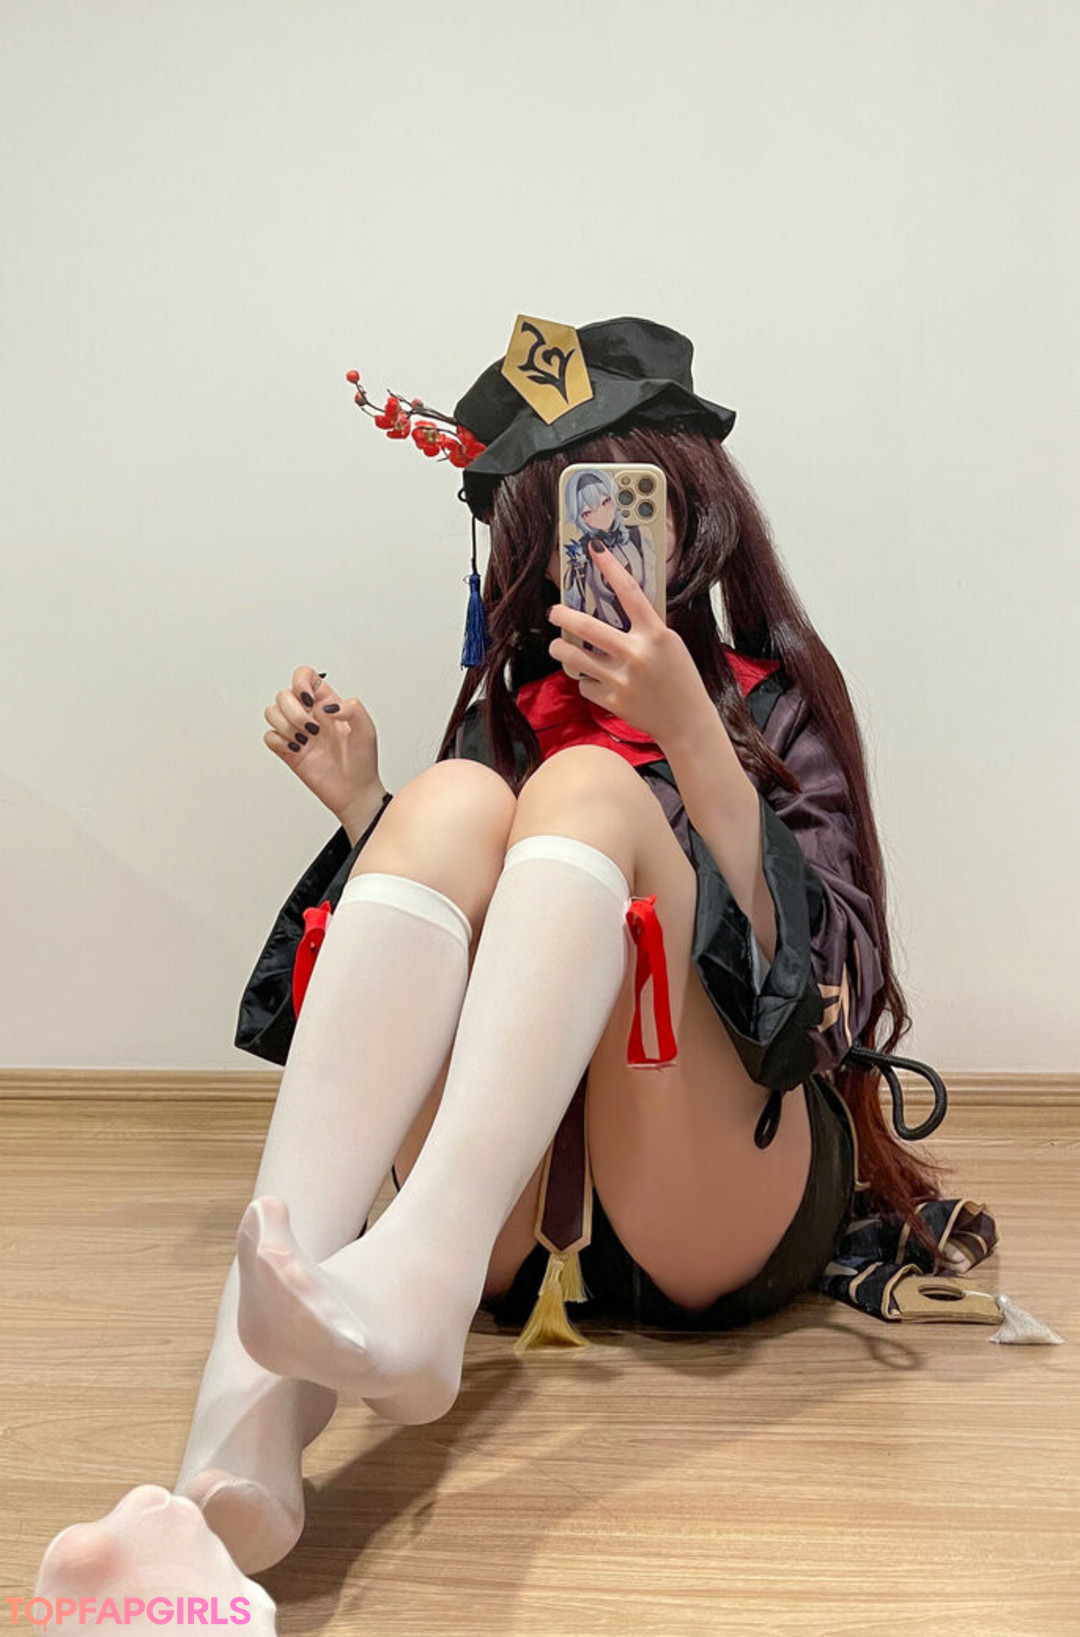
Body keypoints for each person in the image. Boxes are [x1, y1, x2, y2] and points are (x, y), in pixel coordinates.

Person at [34, 316, 1009, 1622]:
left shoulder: (770, 701)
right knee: (445, 800)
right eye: (553, 525)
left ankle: (411, 1286)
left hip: (712, 1204)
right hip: (523, 1231)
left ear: (692, 509)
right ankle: (235, 1453)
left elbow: (825, 1003)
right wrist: (365, 810)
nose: (586, 550)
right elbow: (433, 1004)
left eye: (614, 510)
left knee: (591, 792)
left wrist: (694, 742)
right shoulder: (498, 719)